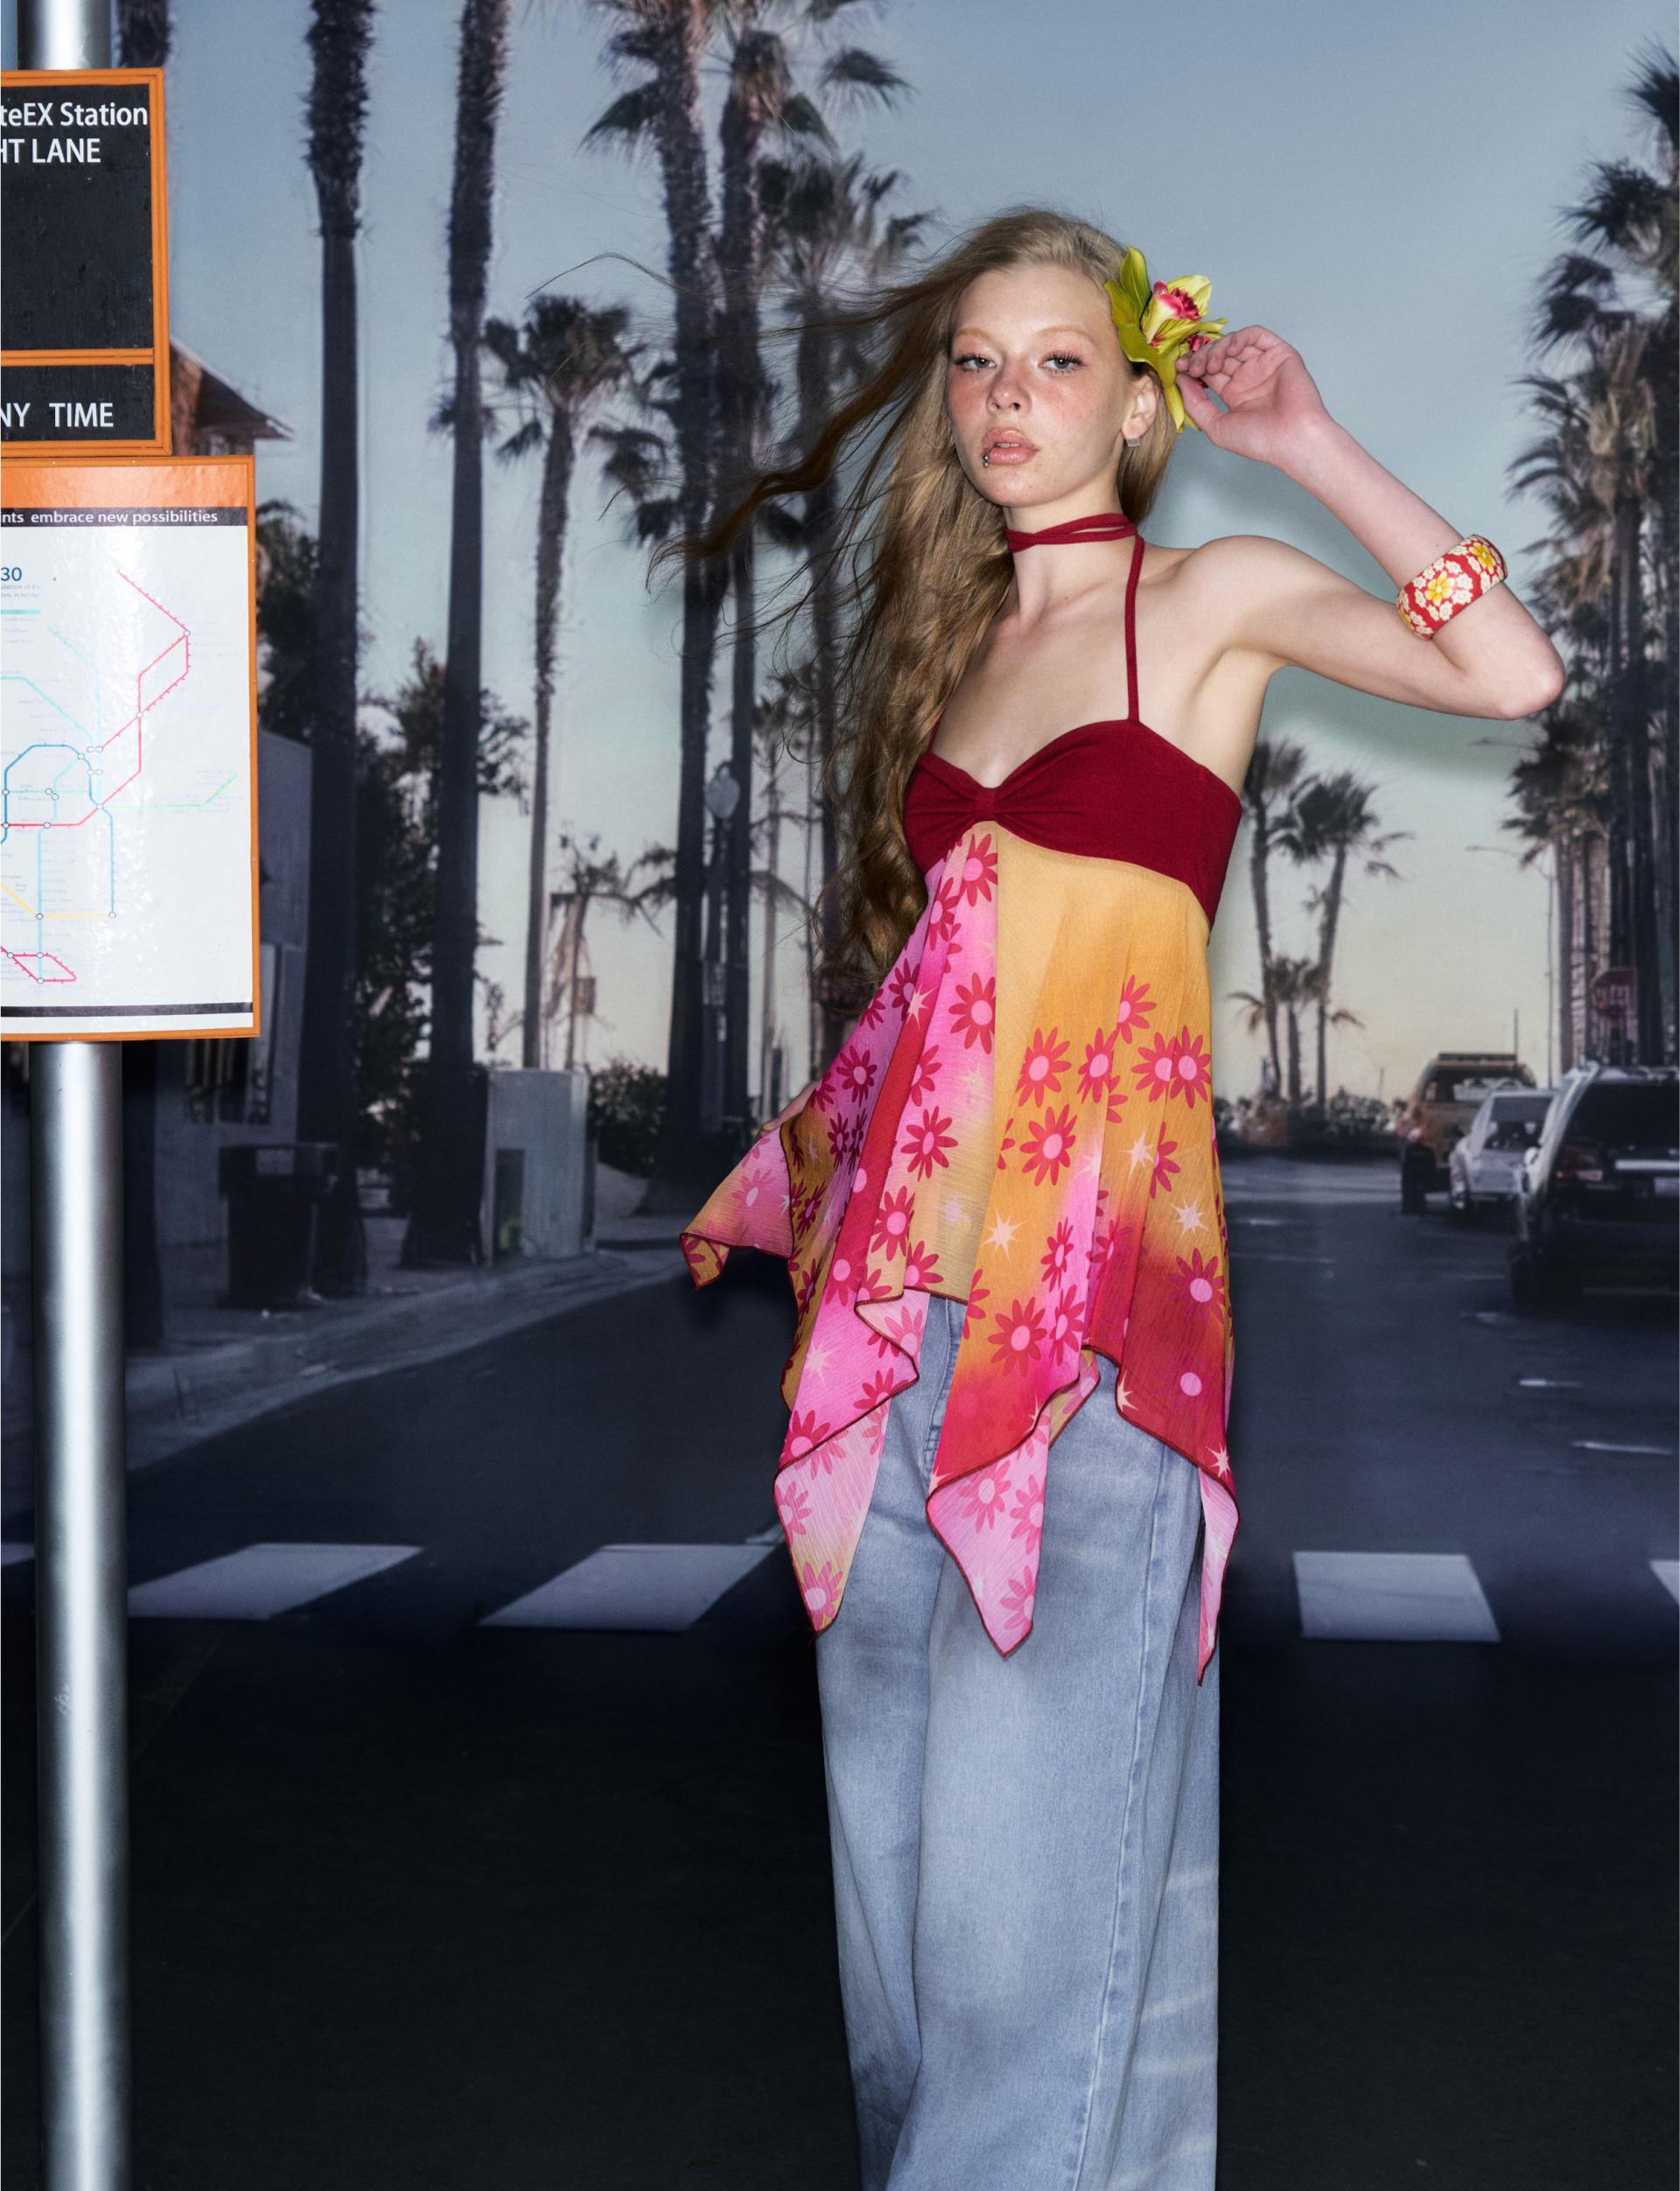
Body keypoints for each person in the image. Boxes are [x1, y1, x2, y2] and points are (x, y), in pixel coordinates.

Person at [676, 208, 1563, 2190]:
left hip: (1084, 1355)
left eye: (1058, 360)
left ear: (1136, 398)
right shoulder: (962, 654)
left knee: (1018, 1962)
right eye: (976, 362)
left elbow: (1510, 670)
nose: (1007, 399)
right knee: (906, 1967)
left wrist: (1307, 443)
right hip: (895, 1345)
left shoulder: (1211, 601)